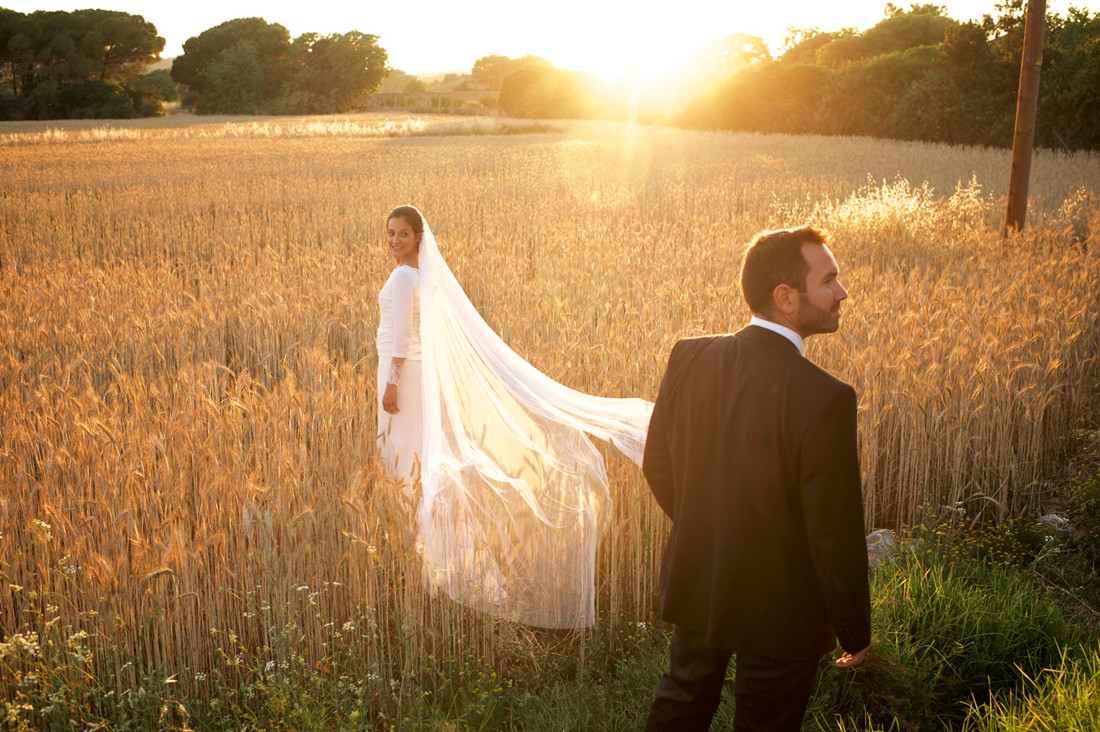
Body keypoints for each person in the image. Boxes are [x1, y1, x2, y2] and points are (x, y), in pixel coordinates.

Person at [374, 205, 652, 629]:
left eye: (403, 234)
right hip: (416, 376)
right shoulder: (421, 277)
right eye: (390, 233)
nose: (395, 241)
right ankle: (437, 560)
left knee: (405, 465)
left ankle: (435, 563)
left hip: (403, 378)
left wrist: (392, 383)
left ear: (418, 238)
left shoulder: (402, 278)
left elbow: (400, 339)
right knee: (417, 463)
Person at [642, 226, 871, 731]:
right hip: (783, 606)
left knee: (681, 703)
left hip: (701, 577)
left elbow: (656, 460)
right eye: (828, 280)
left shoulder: (689, 356)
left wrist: (708, 530)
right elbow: (833, 529)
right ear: (786, 297)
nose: (842, 292)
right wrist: (854, 630)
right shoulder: (826, 398)